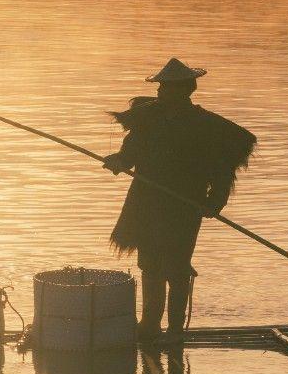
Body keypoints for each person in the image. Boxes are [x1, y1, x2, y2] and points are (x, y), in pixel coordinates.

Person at [102, 59, 256, 344]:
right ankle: (149, 326)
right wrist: (118, 162)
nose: (160, 92)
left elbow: (221, 170)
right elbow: (129, 156)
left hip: (183, 205)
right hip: (146, 202)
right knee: (149, 263)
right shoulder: (147, 120)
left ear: (184, 90)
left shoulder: (206, 127)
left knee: (177, 265)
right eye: (160, 87)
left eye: (166, 87)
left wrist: (215, 201)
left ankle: (173, 332)